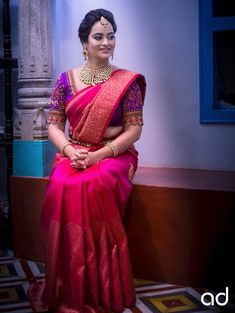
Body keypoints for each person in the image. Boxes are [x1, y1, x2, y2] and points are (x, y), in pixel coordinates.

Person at [28, 8, 146, 313]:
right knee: (60, 184)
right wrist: (69, 151)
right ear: (85, 41)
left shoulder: (127, 82)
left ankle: (101, 284)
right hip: (76, 150)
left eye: (111, 36)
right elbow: (53, 124)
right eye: (99, 36)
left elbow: (134, 130)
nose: (106, 42)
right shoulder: (65, 81)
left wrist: (98, 155)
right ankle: (68, 283)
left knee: (95, 183)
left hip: (115, 153)